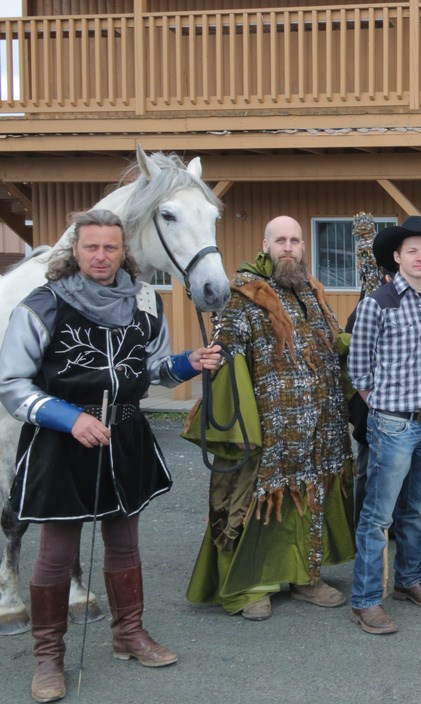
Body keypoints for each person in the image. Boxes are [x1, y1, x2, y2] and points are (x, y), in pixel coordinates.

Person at [0, 210, 221, 702]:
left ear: (125, 252)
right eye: (91, 247)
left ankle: (128, 634)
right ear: (74, 252)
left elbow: (153, 370)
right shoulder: (42, 306)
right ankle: (48, 658)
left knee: (124, 543)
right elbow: (12, 384)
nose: (101, 256)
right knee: (56, 556)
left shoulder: (144, 305)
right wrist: (69, 418)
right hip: (62, 442)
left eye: (111, 247)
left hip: (124, 437)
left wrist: (189, 362)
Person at [187, 215, 354, 623]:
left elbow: (330, 342)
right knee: (251, 503)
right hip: (268, 429)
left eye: (296, 240)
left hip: (318, 427)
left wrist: (360, 343)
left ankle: (304, 577)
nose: (289, 247)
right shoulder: (242, 297)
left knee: (309, 499)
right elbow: (225, 357)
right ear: (265, 244)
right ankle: (248, 587)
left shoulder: (312, 293)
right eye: (280, 239)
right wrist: (240, 425)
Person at [345, 216, 421, 634]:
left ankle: (408, 580)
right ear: (397, 257)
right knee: (378, 516)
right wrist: (383, 408)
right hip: (393, 424)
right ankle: (366, 600)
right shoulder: (379, 301)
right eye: (413, 250)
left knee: (417, 510)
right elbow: (358, 368)